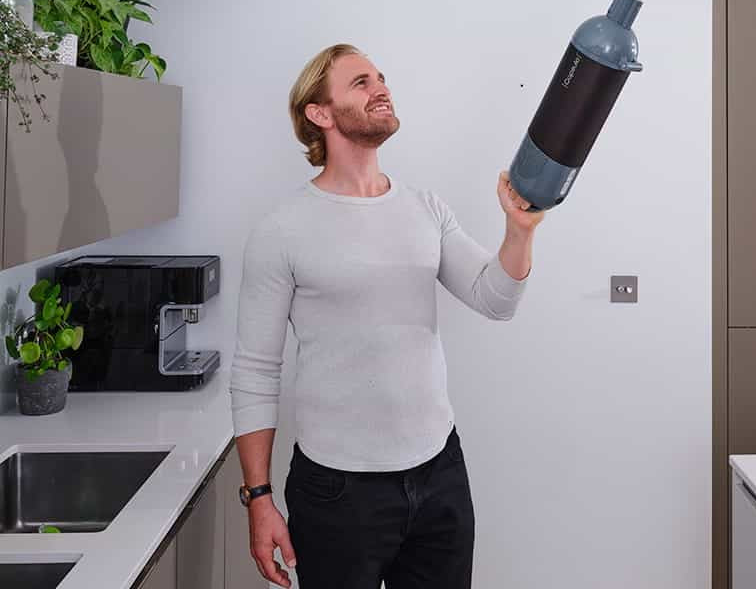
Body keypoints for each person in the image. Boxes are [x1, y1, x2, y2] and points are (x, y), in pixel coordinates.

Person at [230, 43, 543, 588]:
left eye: (381, 78)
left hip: (439, 473)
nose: (381, 88)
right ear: (320, 113)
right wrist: (259, 498)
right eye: (360, 82)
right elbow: (255, 370)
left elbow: (495, 300)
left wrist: (519, 231)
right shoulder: (282, 230)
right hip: (336, 491)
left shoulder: (426, 208)